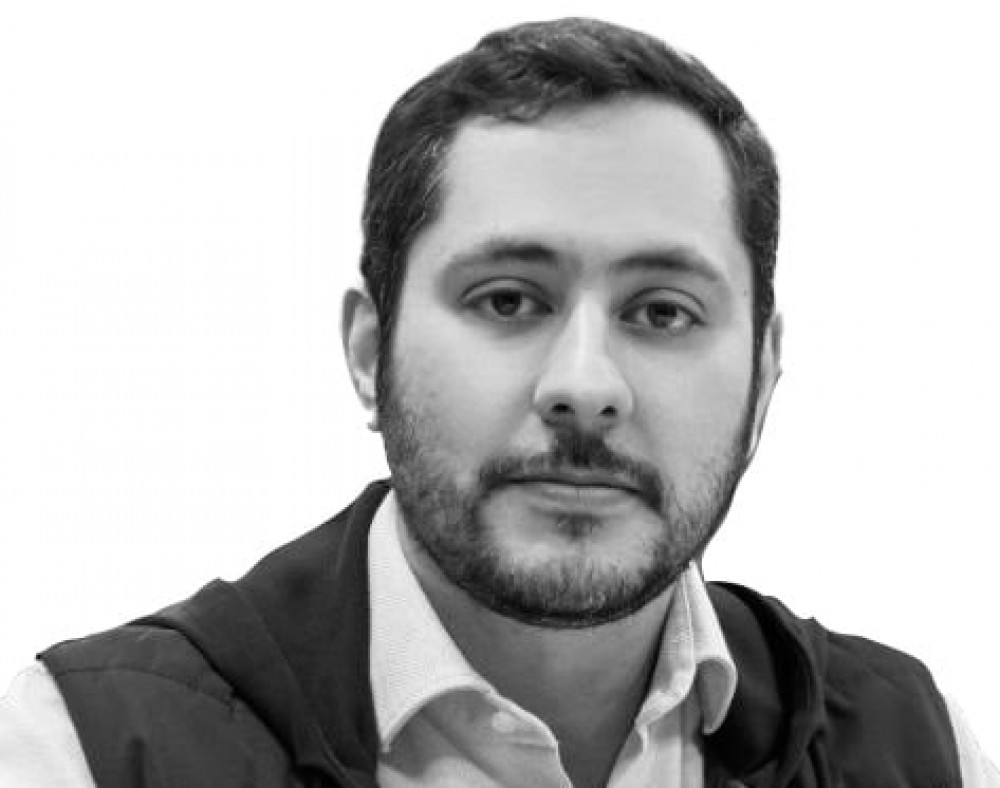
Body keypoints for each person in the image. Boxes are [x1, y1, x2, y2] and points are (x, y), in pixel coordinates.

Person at [1, 16, 996, 788]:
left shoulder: (924, 748)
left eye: (663, 311)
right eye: (508, 300)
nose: (585, 387)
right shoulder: (84, 752)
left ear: (765, 371)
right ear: (368, 349)